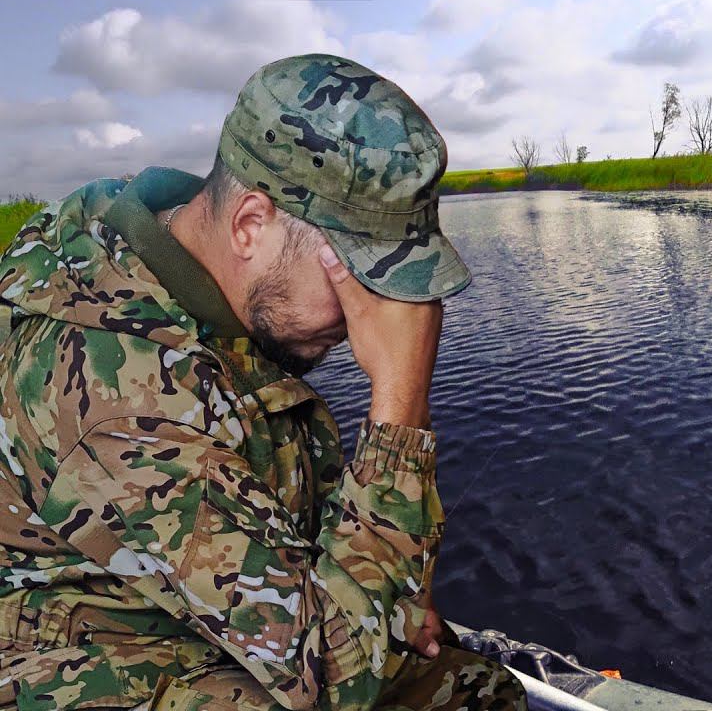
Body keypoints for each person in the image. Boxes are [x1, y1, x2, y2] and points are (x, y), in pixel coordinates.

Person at [0, 54, 526, 710]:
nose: (372, 319)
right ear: (250, 224)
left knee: (471, 686)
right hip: (81, 652)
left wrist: (384, 581)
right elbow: (340, 681)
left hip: (162, 597)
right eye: (359, 280)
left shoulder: (185, 265)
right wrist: (400, 407)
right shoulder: (118, 401)